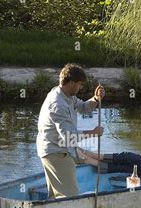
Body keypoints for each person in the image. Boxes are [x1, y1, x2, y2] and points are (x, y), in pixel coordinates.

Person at [36, 63, 105, 198]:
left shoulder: (66, 95)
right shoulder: (58, 104)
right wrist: (93, 133)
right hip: (56, 153)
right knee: (70, 197)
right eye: (79, 84)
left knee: (55, 196)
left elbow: (84, 108)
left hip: (54, 150)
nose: (80, 87)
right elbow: (68, 137)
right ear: (71, 83)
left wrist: (96, 99)